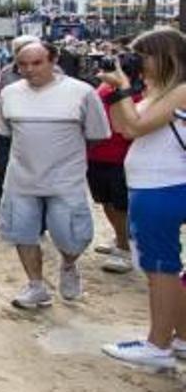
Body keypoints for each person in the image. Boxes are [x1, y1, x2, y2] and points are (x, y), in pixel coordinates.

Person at [98, 29, 186, 370]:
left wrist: (121, 89)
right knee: (165, 268)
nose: (135, 62)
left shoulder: (180, 91)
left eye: (140, 56)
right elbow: (122, 126)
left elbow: (135, 127)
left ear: (165, 57)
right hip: (153, 186)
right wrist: (120, 90)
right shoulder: (158, 93)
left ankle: (157, 345)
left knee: (160, 267)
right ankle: (178, 338)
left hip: (164, 186)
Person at [0, 42, 109, 309]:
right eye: (22, 65)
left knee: (72, 235)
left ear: (53, 60)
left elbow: (96, 134)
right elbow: (7, 132)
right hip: (21, 180)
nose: (29, 70)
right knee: (22, 234)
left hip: (65, 181)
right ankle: (36, 285)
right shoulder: (10, 93)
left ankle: (69, 265)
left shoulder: (81, 92)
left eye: (37, 63)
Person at [87, 51, 141, 274]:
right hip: (97, 154)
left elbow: (129, 127)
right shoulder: (103, 88)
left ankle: (125, 248)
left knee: (121, 205)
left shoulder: (137, 94)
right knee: (106, 201)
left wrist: (120, 88)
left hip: (120, 157)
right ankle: (120, 238)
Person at [0, 35, 41, 233]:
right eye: (19, 50)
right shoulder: (8, 72)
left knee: (35, 175)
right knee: (1, 171)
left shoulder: (52, 72)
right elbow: (0, 99)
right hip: (7, 131)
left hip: (38, 133)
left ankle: (37, 220)